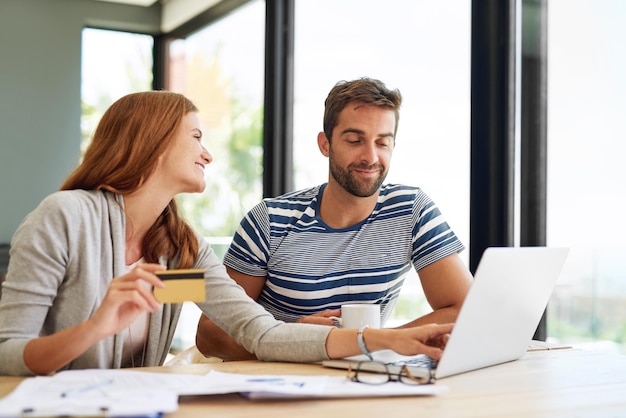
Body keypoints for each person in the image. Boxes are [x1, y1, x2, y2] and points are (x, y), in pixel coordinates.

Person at [0, 90, 454, 377]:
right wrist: (95, 327)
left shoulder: (181, 252)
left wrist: (383, 339)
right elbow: (7, 354)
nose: (209, 154)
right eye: (196, 137)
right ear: (153, 142)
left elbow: (260, 333)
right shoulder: (63, 220)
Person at [196, 78, 473, 361]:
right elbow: (208, 335)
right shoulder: (269, 221)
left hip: (362, 382)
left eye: (382, 142)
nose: (370, 156)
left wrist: (378, 343)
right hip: (278, 386)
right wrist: (290, 336)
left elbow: (466, 307)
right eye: (355, 140)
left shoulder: (410, 210)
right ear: (325, 144)